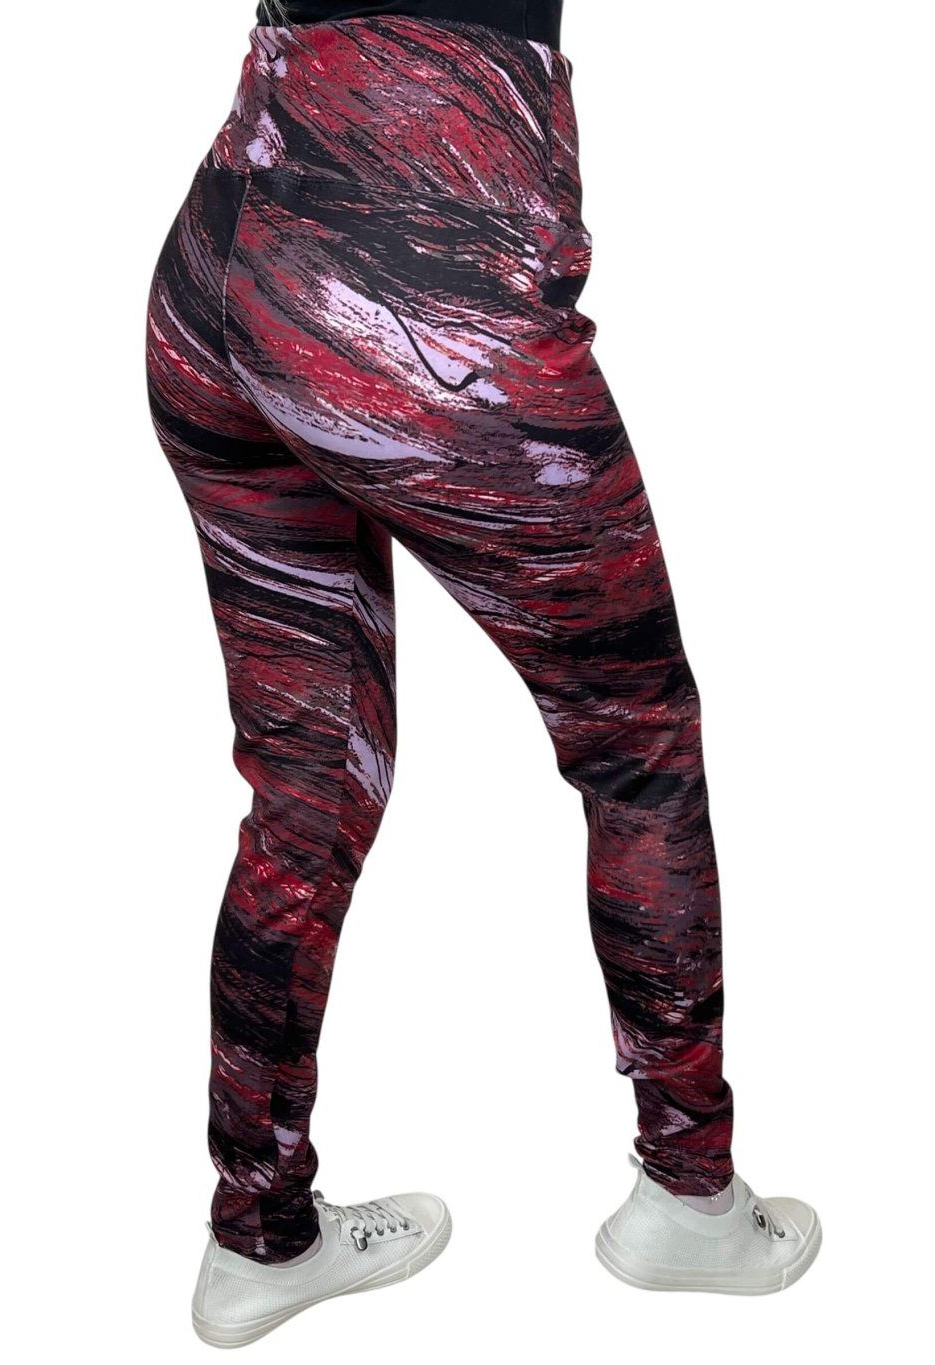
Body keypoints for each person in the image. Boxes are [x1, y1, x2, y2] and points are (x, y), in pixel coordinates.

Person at [146, 0, 821, 1342]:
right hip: (413, 273)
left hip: (221, 262)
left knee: (307, 785)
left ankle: (258, 1235)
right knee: (637, 739)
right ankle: (690, 1194)